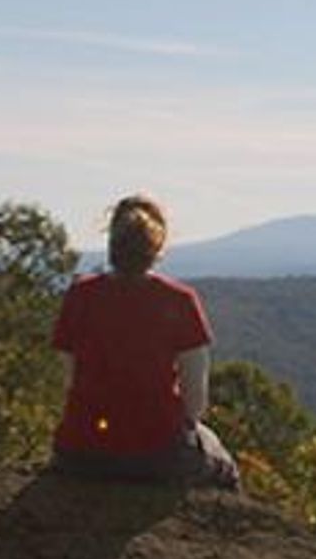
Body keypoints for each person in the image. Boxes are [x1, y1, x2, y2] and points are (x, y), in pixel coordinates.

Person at [49, 195, 241, 489]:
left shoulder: (80, 295)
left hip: (80, 450)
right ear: (157, 246)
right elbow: (195, 401)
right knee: (223, 465)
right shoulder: (180, 300)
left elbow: (69, 379)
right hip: (157, 452)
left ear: (112, 241)